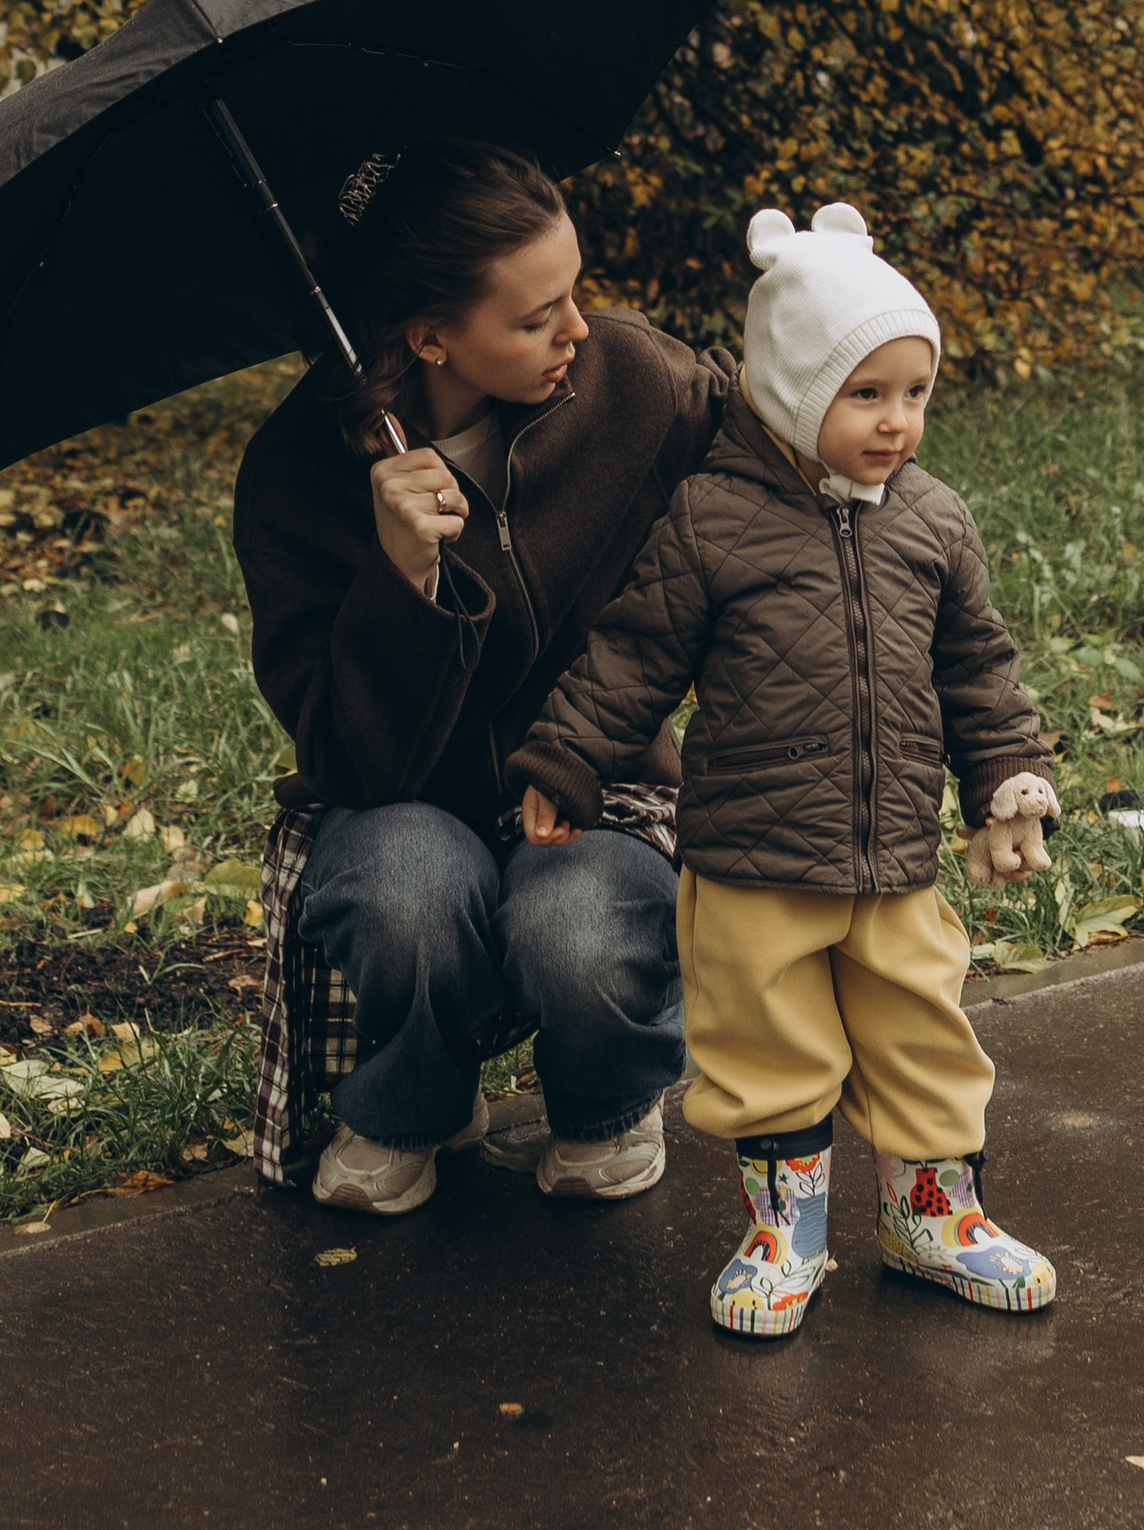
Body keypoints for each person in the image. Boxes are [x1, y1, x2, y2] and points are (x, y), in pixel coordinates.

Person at [511, 200, 1060, 1340]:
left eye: (915, 393)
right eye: (866, 395)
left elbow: (978, 668)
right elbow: (632, 655)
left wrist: (1005, 778)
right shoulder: (711, 522)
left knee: (923, 1030)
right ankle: (783, 1229)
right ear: (793, 389)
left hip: (894, 858)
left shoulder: (934, 524)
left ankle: (933, 1216)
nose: (897, 421)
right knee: (769, 1049)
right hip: (755, 862)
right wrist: (568, 760)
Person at [233, 138, 737, 1215]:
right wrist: (400, 576)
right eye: (532, 316)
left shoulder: (633, 382)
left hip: (600, 791)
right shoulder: (296, 477)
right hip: (399, 806)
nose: (577, 330)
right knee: (408, 892)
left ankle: (604, 1107)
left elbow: (775, 446)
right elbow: (346, 754)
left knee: (577, 923)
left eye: (575, 292)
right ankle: (415, 1101)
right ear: (429, 336)